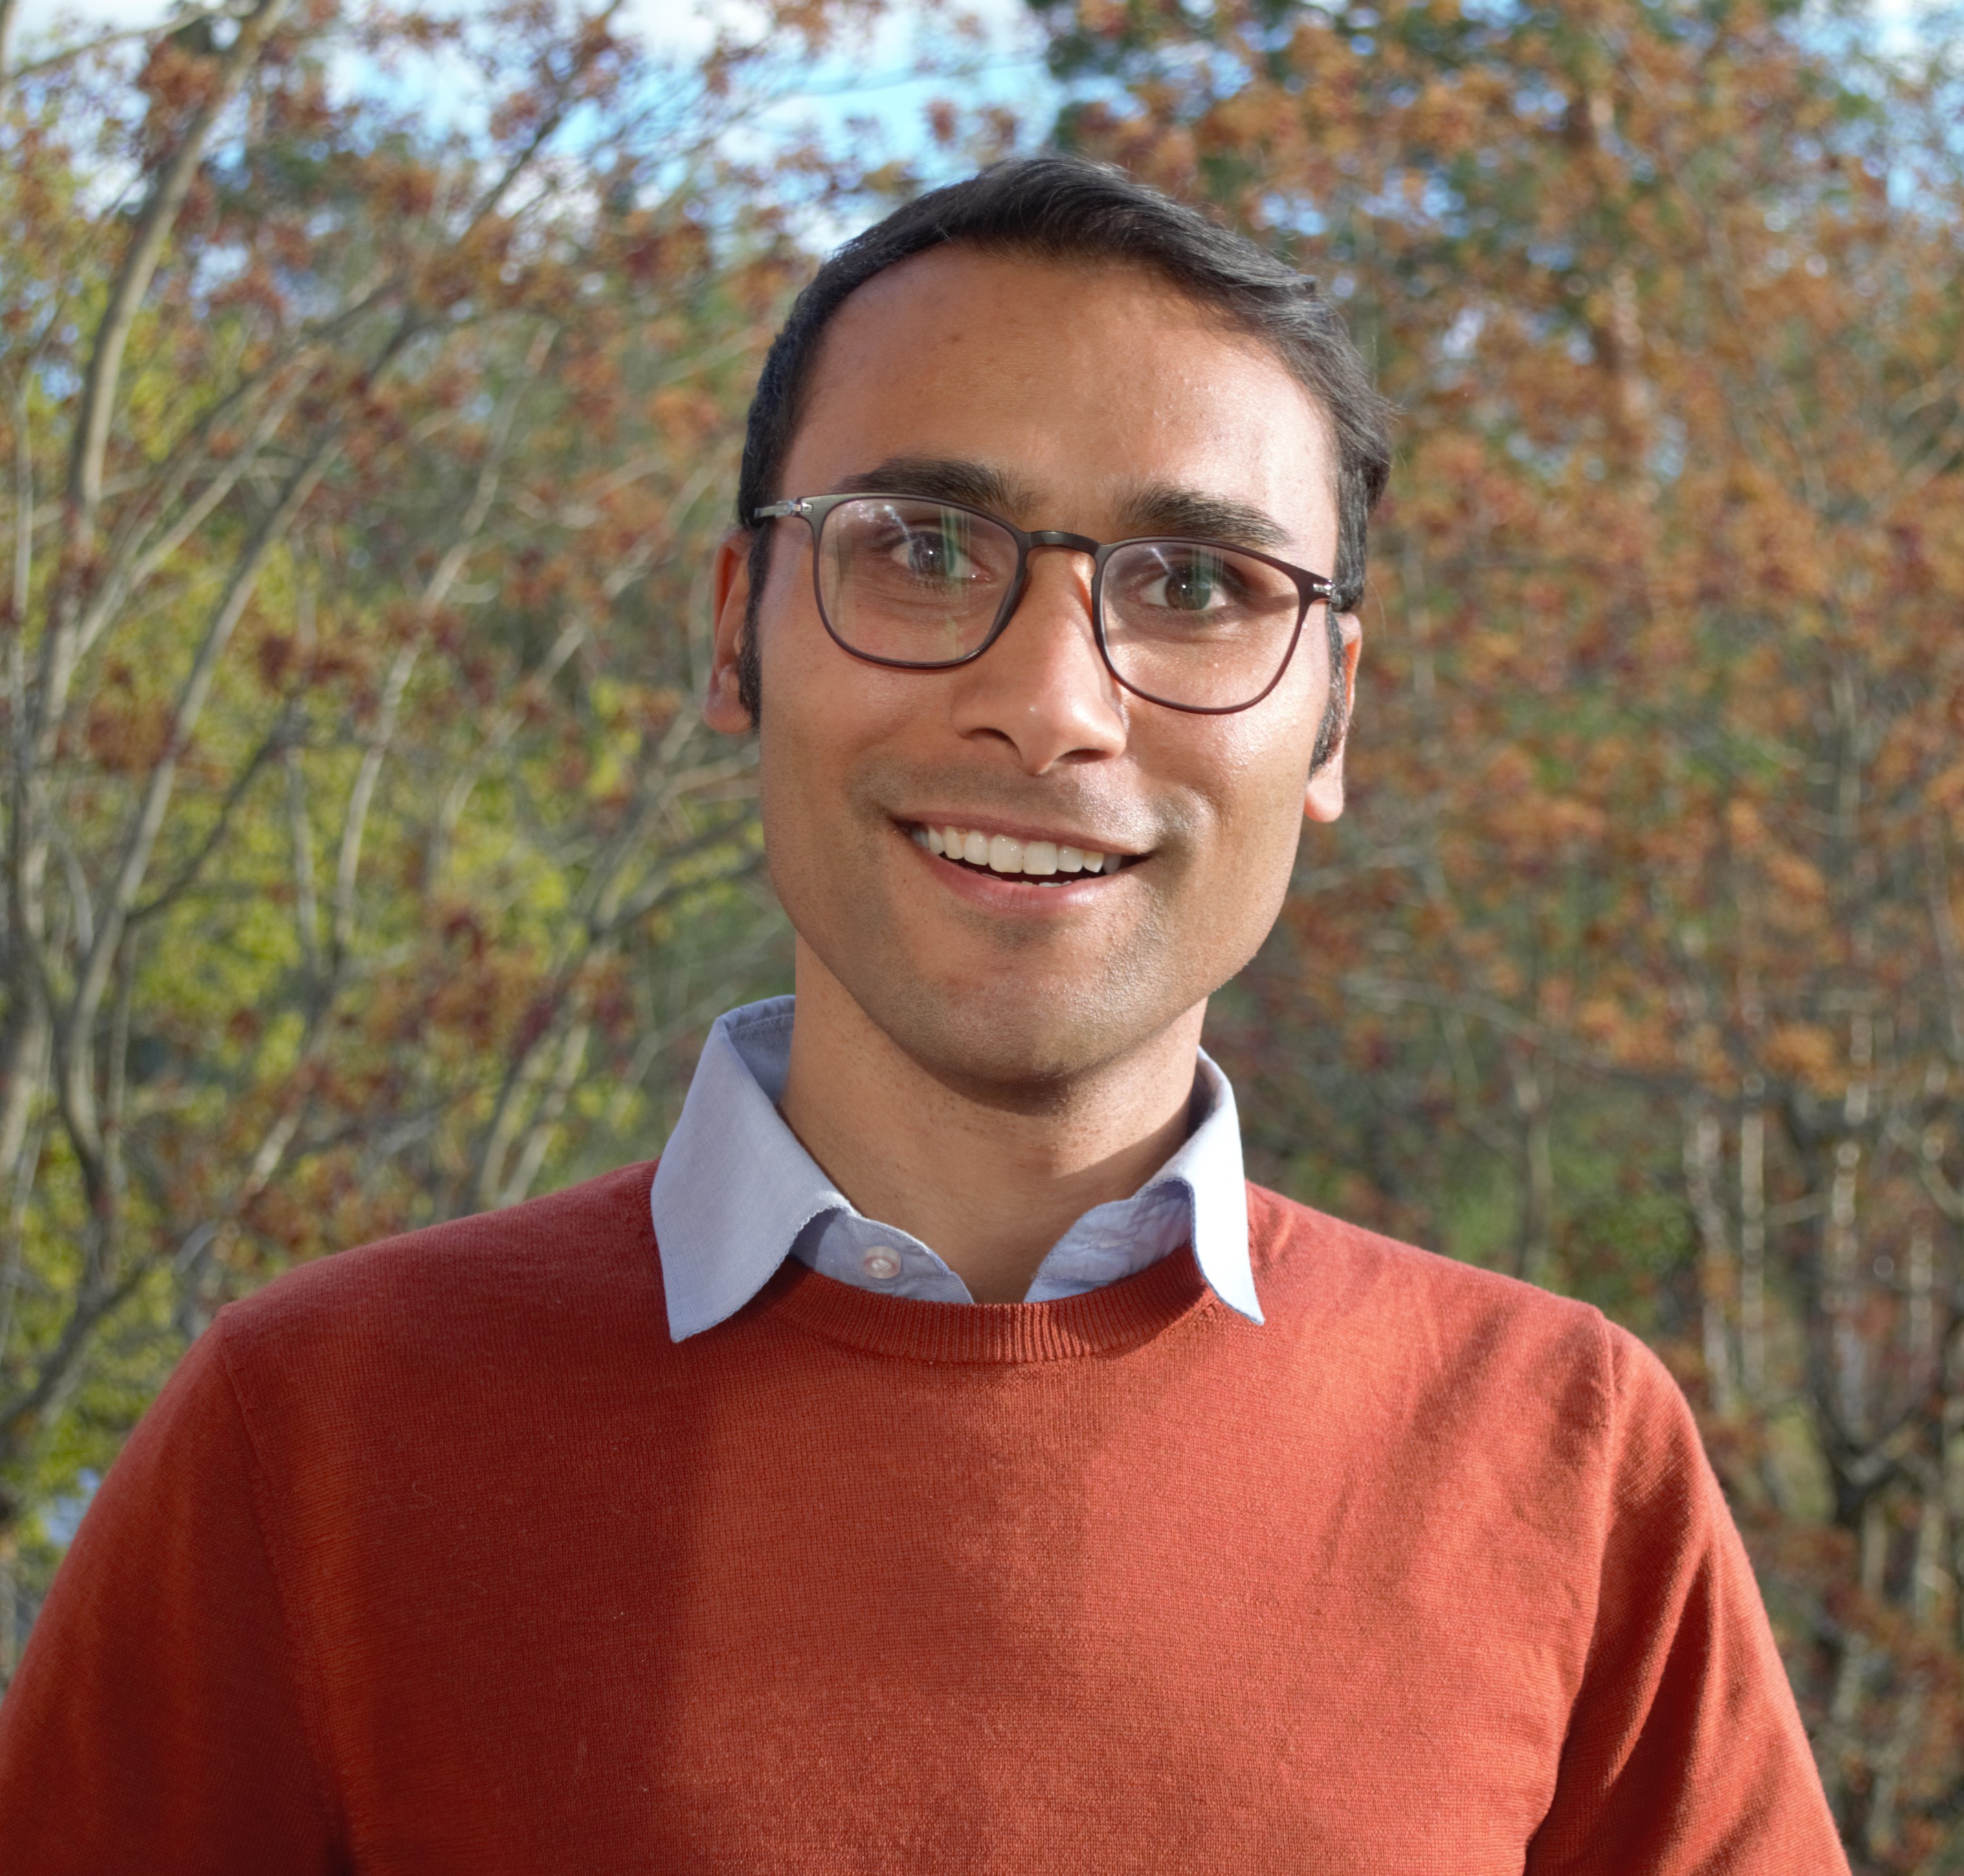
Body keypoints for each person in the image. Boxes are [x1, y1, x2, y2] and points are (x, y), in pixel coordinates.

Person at [0, 157, 1846, 1873]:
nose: (1050, 703)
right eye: (924, 549)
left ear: (1334, 715)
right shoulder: (307, 1440)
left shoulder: (1563, 1457)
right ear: (735, 629)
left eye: (1197, 585)